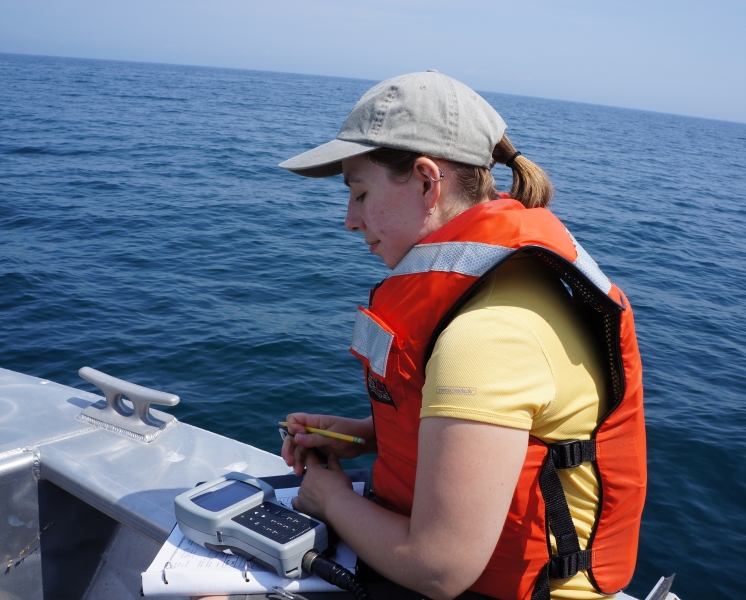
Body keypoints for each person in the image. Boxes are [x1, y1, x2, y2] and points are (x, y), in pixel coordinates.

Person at [226, 71, 645, 600]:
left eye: (359, 193)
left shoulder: (487, 333)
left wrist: (332, 499)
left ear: (427, 181)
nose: (349, 220)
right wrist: (360, 435)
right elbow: (511, 435)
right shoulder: (505, 284)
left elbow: (438, 568)